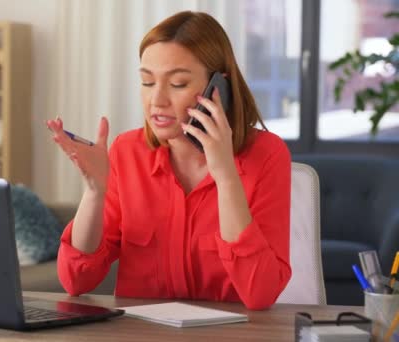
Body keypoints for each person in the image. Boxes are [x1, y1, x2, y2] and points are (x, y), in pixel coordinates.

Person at [46, 11, 291, 310]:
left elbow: (260, 294)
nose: (157, 100)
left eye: (177, 84)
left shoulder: (267, 155)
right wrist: (95, 193)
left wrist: (226, 175)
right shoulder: (127, 151)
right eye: (147, 82)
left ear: (218, 89)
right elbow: (75, 281)